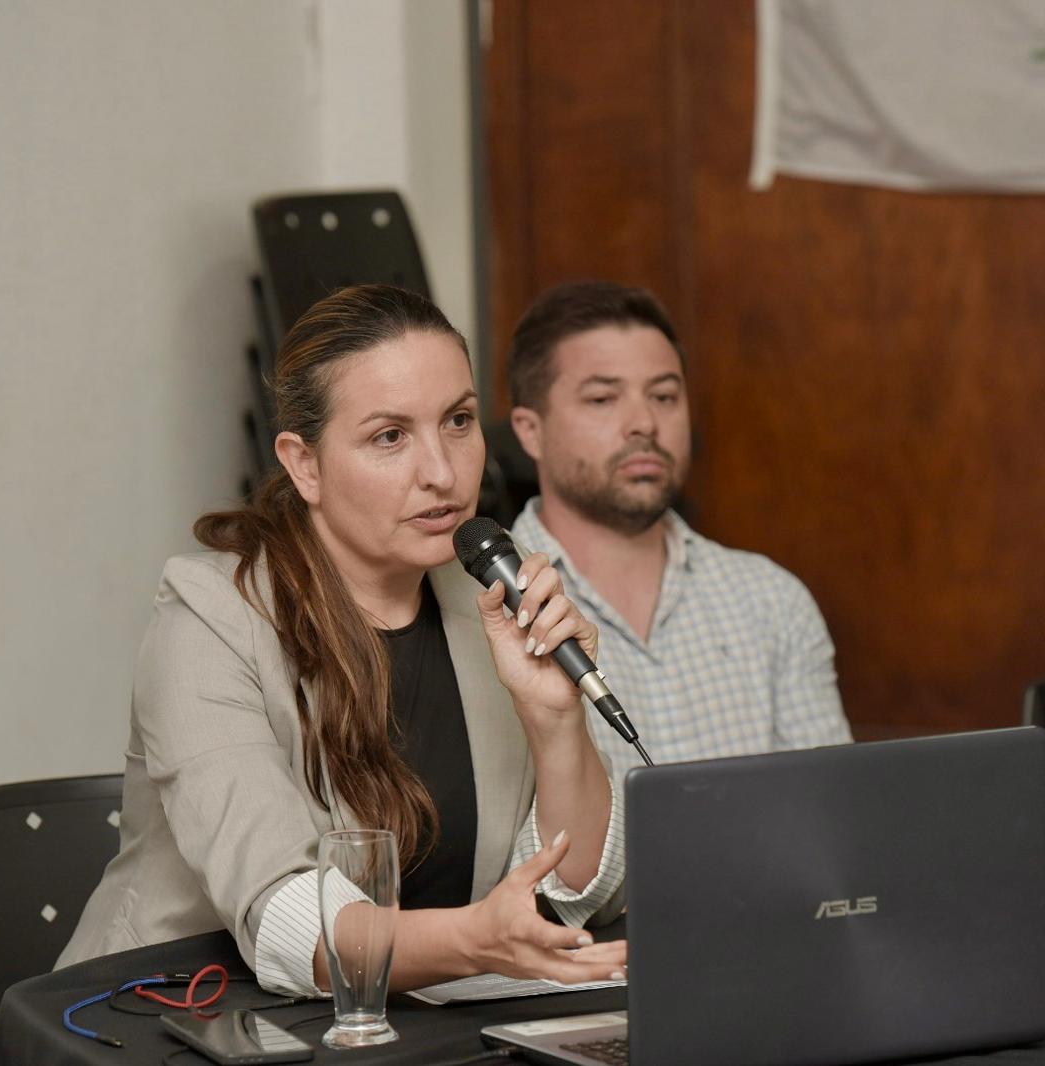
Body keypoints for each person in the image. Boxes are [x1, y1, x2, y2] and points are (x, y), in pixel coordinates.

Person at [59, 284, 627, 995]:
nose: (443, 473)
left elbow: (580, 897)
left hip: (409, 1024)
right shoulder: (208, 619)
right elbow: (286, 916)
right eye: (390, 437)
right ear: (304, 464)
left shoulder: (485, 600)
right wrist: (474, 939)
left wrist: (556, 723)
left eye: (458, 421)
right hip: (173, 1016)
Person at [504, 280, 851, 791]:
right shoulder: (485, 609)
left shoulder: (770, 600)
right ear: (530, 431)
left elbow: (833, 812)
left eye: (664, 395)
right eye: (603, 398)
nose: (644, 422)